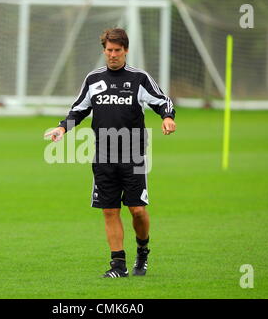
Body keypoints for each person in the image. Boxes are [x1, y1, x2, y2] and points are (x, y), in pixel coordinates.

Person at [44, 28, 176, 278]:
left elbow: (162, 101)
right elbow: (78, 110)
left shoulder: (139, 79)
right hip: (103, 155)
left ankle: (143, 249)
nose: (113, 55)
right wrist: (62, 127)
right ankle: (118, 265)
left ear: (125, 50)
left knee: (137, 209)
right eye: (109, 50)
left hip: (133, 155)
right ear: (104, 51)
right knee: (109, 210)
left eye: (117, 50)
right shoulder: (93, 80)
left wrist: (168, 118)